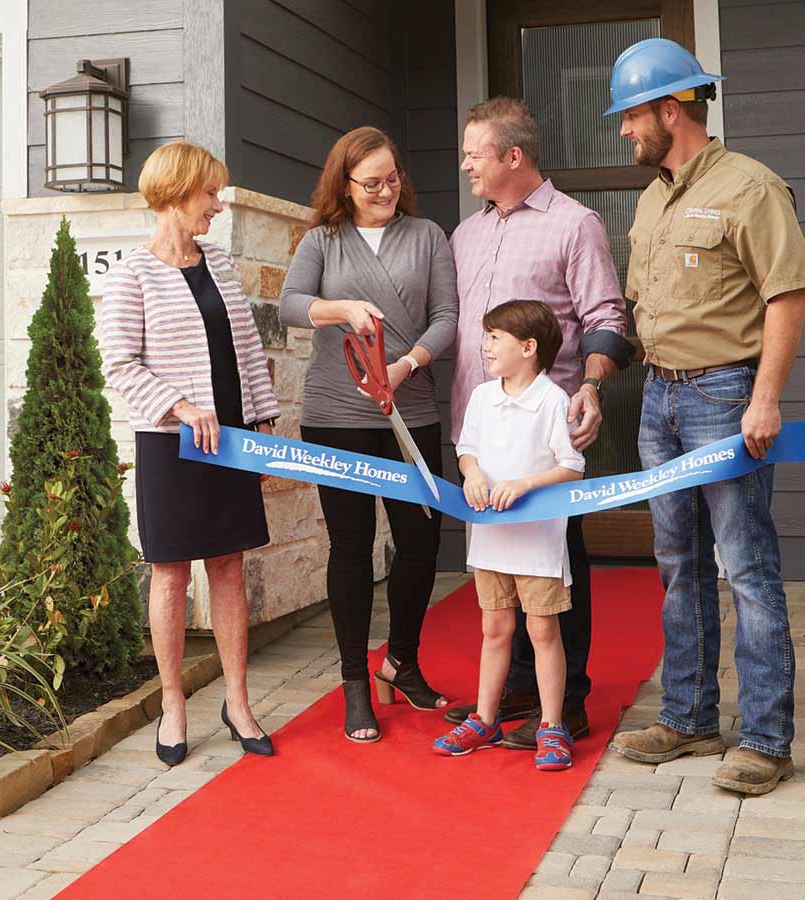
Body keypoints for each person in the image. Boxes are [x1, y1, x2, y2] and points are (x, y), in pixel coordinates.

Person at [599, 38, 805, 796]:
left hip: (726, 397)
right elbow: (642, 310)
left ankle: (766, 739)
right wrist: (596, 372)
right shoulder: (653, 197)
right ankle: (689, 718)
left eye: (632, 118)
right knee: (677, 564)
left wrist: (765, 396)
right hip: (658, 396)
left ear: (671, 109)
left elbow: (788, 292)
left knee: (746, 567)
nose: (625, 132)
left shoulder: (751, 187)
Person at [442, 97, 633, 751]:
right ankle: (517, 688)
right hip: (481, 432)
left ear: (512, 156)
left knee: (555, 566)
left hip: (544, 434)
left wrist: (593, 386)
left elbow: (606, 312)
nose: (465, 163)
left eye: (474, 153)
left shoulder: (574, 225)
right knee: (498, 564)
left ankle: (567, 703)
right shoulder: (464, 235)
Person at [99, 140, 279, 765]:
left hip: (230, 439)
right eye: (209, 194)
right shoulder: (132, 273)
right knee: (172, 573)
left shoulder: (222, 263)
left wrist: (261, 422)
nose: (217, 206)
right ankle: (173, 702)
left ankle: (238, 700)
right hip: (172, 445)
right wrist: (180, 407)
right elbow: (119, 364)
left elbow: (248, 352)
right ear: (176, 195)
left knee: (229, 567)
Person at [278, 126, 460, 743]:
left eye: (393, 178)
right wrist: (343, 308)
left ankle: (401, 660)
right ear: (345, 186)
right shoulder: (323, 240)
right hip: (336, 414)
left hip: (411, 411)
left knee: (420, 544)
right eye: (371, 183)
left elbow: (447, 318)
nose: (386, 190)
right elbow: (289, 303)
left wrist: (409, 364)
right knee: (351, 548)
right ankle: (355, 683)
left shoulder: (428, 236)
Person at [434, 300, 586, 767]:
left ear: (528, 347)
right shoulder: (481, 397)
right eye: (486, 336)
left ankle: (553, 724)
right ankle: (484, 717)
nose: (485, 345)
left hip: (538, 543)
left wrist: (525, 484)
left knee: (542, 630)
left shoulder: (553, 400)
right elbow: (467, 449)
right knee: (494, 628)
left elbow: (573, 466)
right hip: (491, 538)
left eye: (495, 337)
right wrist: (472, 473)